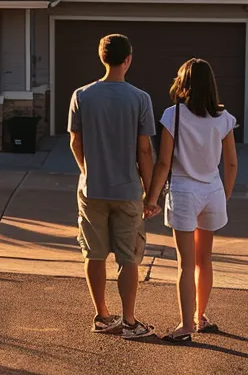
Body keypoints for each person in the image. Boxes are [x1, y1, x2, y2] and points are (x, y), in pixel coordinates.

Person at [68, 34, 157, 340]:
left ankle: (102, 315)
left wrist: (86, 170)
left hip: (91, 189)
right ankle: (130, 322)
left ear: (101, 57)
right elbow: (144, 151)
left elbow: (75, 141)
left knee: (93, 253)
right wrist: (150, 192)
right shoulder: (140, 98)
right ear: (128, 59)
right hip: (128, 189)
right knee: (127, 257)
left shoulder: (81, 95)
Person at [146, 58, 239, 344]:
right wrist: (223, 195)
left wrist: (150, 198)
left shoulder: (173, 115)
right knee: (205, 259)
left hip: (184, 192)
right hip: (212, 190)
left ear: (183, 83)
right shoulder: (223, 118)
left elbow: (163, 162)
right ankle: (200, 316)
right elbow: (232, 164)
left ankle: (185, 325)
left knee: (185, 264)